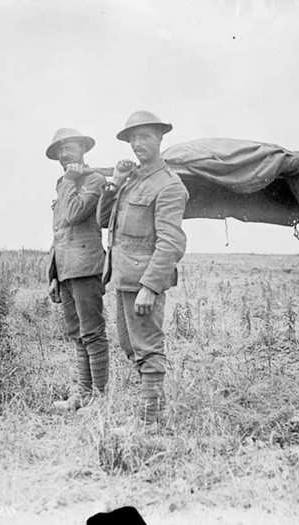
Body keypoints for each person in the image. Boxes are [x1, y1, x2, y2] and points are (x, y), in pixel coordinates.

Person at [97, 110, 188, 424]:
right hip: (123, 277)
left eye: (145, 136)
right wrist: (115, 183)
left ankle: (151, 420)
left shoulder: (169, 186)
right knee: (129, 344)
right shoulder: (131, 181)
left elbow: (171, 243)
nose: (138, 143)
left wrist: (150, 287)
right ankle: (149, 408)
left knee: (147, 346)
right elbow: (103, 222)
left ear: (160, 138)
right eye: (133, 138)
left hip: (143, 282)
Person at [45, 128, 109, 411]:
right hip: (67, 268)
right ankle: (82, 395)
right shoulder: (64, 183)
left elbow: (73, 215)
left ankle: (99, 398)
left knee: (92, 333)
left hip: (86, 266)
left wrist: (71, 179)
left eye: (68, 149)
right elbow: (58, 232)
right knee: (76, 334)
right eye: (59, 151)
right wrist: (53, 275)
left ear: (83, 149)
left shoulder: (93, 180)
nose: (63, 155)